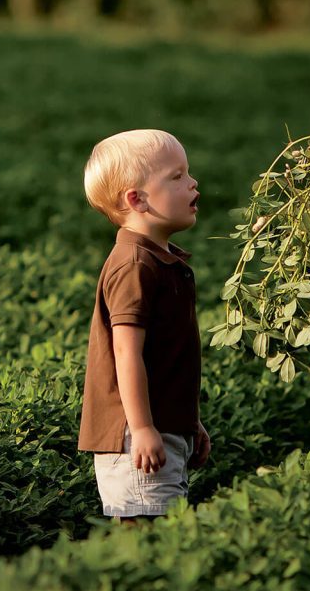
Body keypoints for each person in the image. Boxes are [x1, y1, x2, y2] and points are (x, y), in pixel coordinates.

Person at [79, 129, 213, 521]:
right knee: (148, 539)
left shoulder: (158, 259)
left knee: (164, 537)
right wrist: (141, 429)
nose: (193, 183)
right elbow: (127, 355)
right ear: (136, 200)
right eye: (176, 177)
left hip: (159, 427)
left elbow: (163, 360)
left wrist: (188, 423)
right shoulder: (135, 265)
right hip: (134, 436)